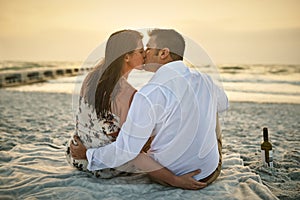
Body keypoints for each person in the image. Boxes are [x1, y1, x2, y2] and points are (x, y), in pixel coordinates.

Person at [71, 29, 229, 189]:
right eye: (141, 50)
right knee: (209, 102)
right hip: (206, 172)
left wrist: (87, 153)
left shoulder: (143, 93)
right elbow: (224, 105)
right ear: (126, 56)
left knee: (182, 110)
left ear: (163, 53)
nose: (145, 54)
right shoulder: (204, 79)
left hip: (90, 153)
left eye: (148, 49)